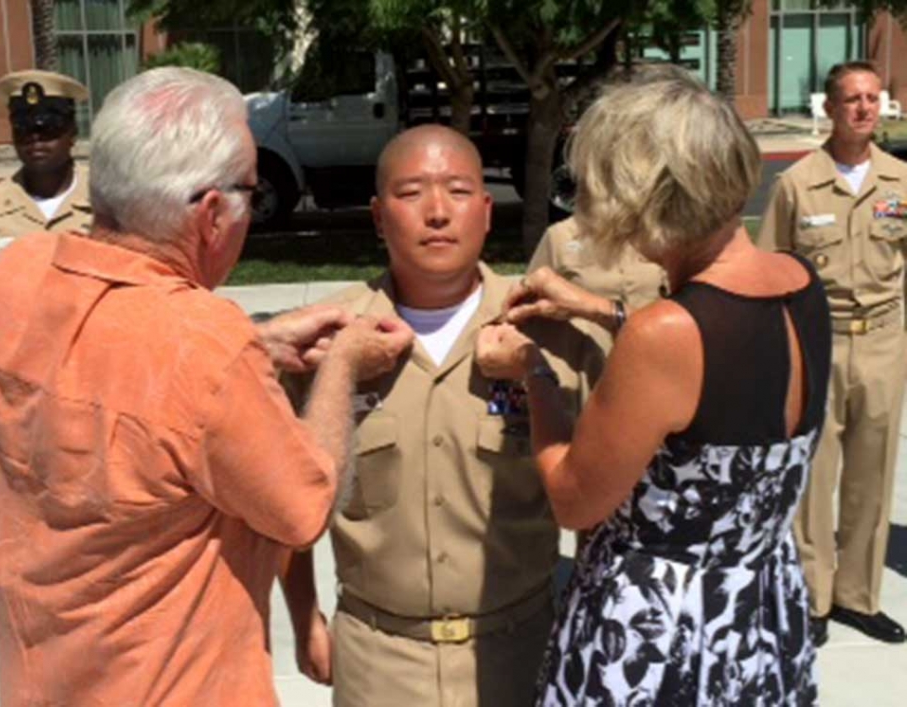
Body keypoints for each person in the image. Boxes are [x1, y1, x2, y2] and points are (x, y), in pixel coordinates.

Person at [0, 67, 413, 706]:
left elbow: (106, 377)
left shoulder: (16, 277)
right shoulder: (204, 345)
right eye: (251, 195)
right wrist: (341, 365)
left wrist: (259, 343)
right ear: (209, 215)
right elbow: (303, 507)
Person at [476, 68, 829, 705]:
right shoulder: (800, 285)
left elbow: (574, 500)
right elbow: (722, 376)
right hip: (760, 614)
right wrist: (596, 309)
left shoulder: (665, 333)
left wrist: (534, 376)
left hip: (663, 630)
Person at [280, 125, 604, 707]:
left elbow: (602, 496)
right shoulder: (323, 344)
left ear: (485, 210)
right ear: (379, 217)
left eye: (457, 191)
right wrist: (304, 616)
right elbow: (286, 500)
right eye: (411, 194)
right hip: (379, 661)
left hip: (521, 651)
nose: (436, 212)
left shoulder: (551, 337)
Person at [758, 60, 907, 647]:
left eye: (873, 98)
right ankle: (812, 597)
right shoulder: (798, 183)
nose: (863, 108)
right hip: (821, 342)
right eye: (852, 99)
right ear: (829, 107)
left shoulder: (899, 181)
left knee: (873, 475)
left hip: (884, 342)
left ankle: (857, 597)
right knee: (815, 480)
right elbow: (772, 268)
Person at [0, 70, 92, 350]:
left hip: (95, 378)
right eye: (23, 129)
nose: (35, 139)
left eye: (47, 128)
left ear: (72, 132)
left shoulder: (108, 202)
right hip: (13, 385)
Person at [529, 215, 667, 352]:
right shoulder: (561, 235)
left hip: (660, 355)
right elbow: (529, 314)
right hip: (591, 363)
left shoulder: (665, 233)